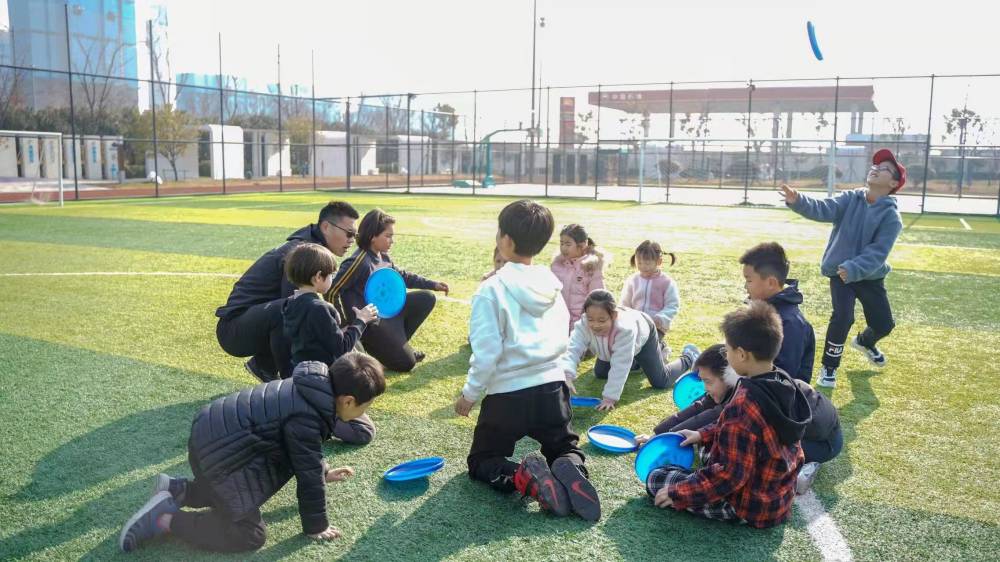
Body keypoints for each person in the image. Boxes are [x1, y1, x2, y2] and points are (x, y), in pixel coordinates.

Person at [118, 353, 386, 553]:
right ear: (348, 401)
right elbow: (307, 477)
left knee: (231, 491)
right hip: (220, 456)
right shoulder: (309, 416)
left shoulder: (311, 387)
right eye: (366, 406)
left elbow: (304, 454)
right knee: (250, 535)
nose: (365, 412)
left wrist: (323, 471)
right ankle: (165, 520)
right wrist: (317, 526)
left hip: (209, 435)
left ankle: (179, 491)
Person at [454, 199, 601, 522]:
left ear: (505, 240)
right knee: (565, 448)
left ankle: (525, 476)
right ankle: (570, 469)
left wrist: (469, 394)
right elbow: (564, 334)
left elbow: (487, 352)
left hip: (508, 395)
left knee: (482, 460)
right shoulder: (552, 285)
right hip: (552, 388)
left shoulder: (491, 289)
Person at [645, 301, 812, 528]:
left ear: (741, 354)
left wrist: (678, 492)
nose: (726, 354)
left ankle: (689, 485)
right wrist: (702, 434)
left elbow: (730, 477)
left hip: (747, 506)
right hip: (779, 495)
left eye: (728, 349)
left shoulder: (743, 407)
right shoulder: (781, 381)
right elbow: (745, 431)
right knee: (706, 446)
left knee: (655, 478)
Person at [637, 343, 842, 495]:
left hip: (822, 442)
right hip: (812, 430)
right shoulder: (735, 383)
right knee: (716, 442)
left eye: (708, 382)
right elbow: (699, 409)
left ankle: (799, 473)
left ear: (727, 376)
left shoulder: (747, 397)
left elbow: (710, 419)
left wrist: (669, 440)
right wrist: (657, 435)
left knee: (736, 450)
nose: (705, 389)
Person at [779, 148, 905, 388]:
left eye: (884, 168)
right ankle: (829, 368)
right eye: (875, 165)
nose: (876, 169)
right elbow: (823, 208)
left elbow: (878, 252)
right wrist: (798, 201)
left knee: (884, 324)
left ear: (893, 183)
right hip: (840, 273)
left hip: (870, 276)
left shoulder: (891, 217)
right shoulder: (850, 198)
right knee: (843, 317)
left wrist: (854, 267)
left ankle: (865, 342)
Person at [215, 201, 360, 382]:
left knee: (300, 309)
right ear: (326, 227)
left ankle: (264, 364)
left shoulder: (310, 249)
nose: (352, 240)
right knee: (296, 307)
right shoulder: (302, 252)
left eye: (355, 235)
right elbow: (297, 310)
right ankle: (288, 380)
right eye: (349, 233)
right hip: (234, 330)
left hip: (254, 321)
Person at [327, 209, 449, 372]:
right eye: (388, 236)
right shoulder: (359, 262)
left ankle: (394, 348)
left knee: (427, 298)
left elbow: (402, 276)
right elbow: (332, 291)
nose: (392, 241)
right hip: (371, 325)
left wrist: (433, 284)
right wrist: (345, 324)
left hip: (387, 315)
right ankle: (379, 349)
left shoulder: (383, 256)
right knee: (407, 363)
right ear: (372, 236)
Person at [560, 290, 678, 411]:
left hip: (643, 334)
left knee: (660, 381)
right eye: (590, 319)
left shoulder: (625, 330)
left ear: (614, 316)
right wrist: (567, 375)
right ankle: (638, 360)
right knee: (601, 373)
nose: (595, 325)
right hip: (615, 349)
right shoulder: (583, 324)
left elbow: (620, 365)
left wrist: (610, 397)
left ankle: (685, 357)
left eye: (601, 320)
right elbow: (572, 348)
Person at [282, 243, 379, 367]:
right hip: (322, 372)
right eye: (331, 275)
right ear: (318, 277)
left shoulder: (289, 303)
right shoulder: (319, 309)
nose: (332, 279)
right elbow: (342, 348)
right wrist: (361, 320)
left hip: (299, 370)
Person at [739, 242, 816, 383]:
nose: (745, 286)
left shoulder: (791, 324)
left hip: (774, 395)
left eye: (749, 280)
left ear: (771, 283)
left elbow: (782, 379)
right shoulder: (757, 311)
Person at [620, 240, 680, 363]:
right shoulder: (633, 280)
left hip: (656, 326)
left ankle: (661, 348)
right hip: (635, 324)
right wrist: (625, 317)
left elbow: (672, 305)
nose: (642, 266)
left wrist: (660, 318)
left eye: (647, 263)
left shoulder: (666, 282)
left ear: (659, 262)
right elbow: (625, 303)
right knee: (629, 347)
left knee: (646, 351)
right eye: (639, 263)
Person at [551, 224, 606, 333]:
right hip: (558, 323)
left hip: (581, 326)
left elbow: (598, 300)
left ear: (583, 245)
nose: (563, 248)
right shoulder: (557, 266)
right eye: (561, 243)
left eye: (568, 244)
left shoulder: (591, 268)